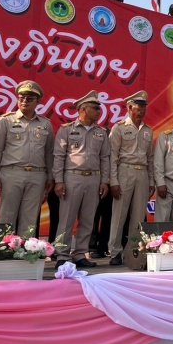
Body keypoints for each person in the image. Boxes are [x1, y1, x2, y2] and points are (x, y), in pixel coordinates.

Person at [53, 91, 111, 269]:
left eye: (99, 109)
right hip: (72, 177)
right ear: (82, 109)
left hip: (93, 178)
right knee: (66, 219)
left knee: (87, 220)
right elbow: (59, 156)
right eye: (95, 108)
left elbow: (105, 158)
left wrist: (104, 181)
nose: (98, 112)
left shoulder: (101, 132)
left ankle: (80, 254)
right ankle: (62, 254)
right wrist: (59, 180)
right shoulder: (67, 129)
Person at [0, 80, 54, 236]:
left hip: (37, 174)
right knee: (6, 215)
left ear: (38, 102)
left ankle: (26, 253)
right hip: (11, 173)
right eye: (22, 98)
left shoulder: (46, 124)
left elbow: (49, 153)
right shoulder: (6, 120)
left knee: (30, 217)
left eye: (30, 98)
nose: (25, 101)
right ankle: (2, 251)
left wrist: (50, 177)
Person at [107, 91, 154, 266]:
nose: (141, 110)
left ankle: (134, 251)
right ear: (129, 107)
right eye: (138, 107)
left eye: (144, 107)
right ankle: (115, 251)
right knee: (119, 214)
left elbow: (150, 158)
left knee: (138, 216)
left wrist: (152, 181)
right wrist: (114, 181)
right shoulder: (119, 128)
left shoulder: (148, 130)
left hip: (142, 173)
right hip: (124, 170)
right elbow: (112, 156)